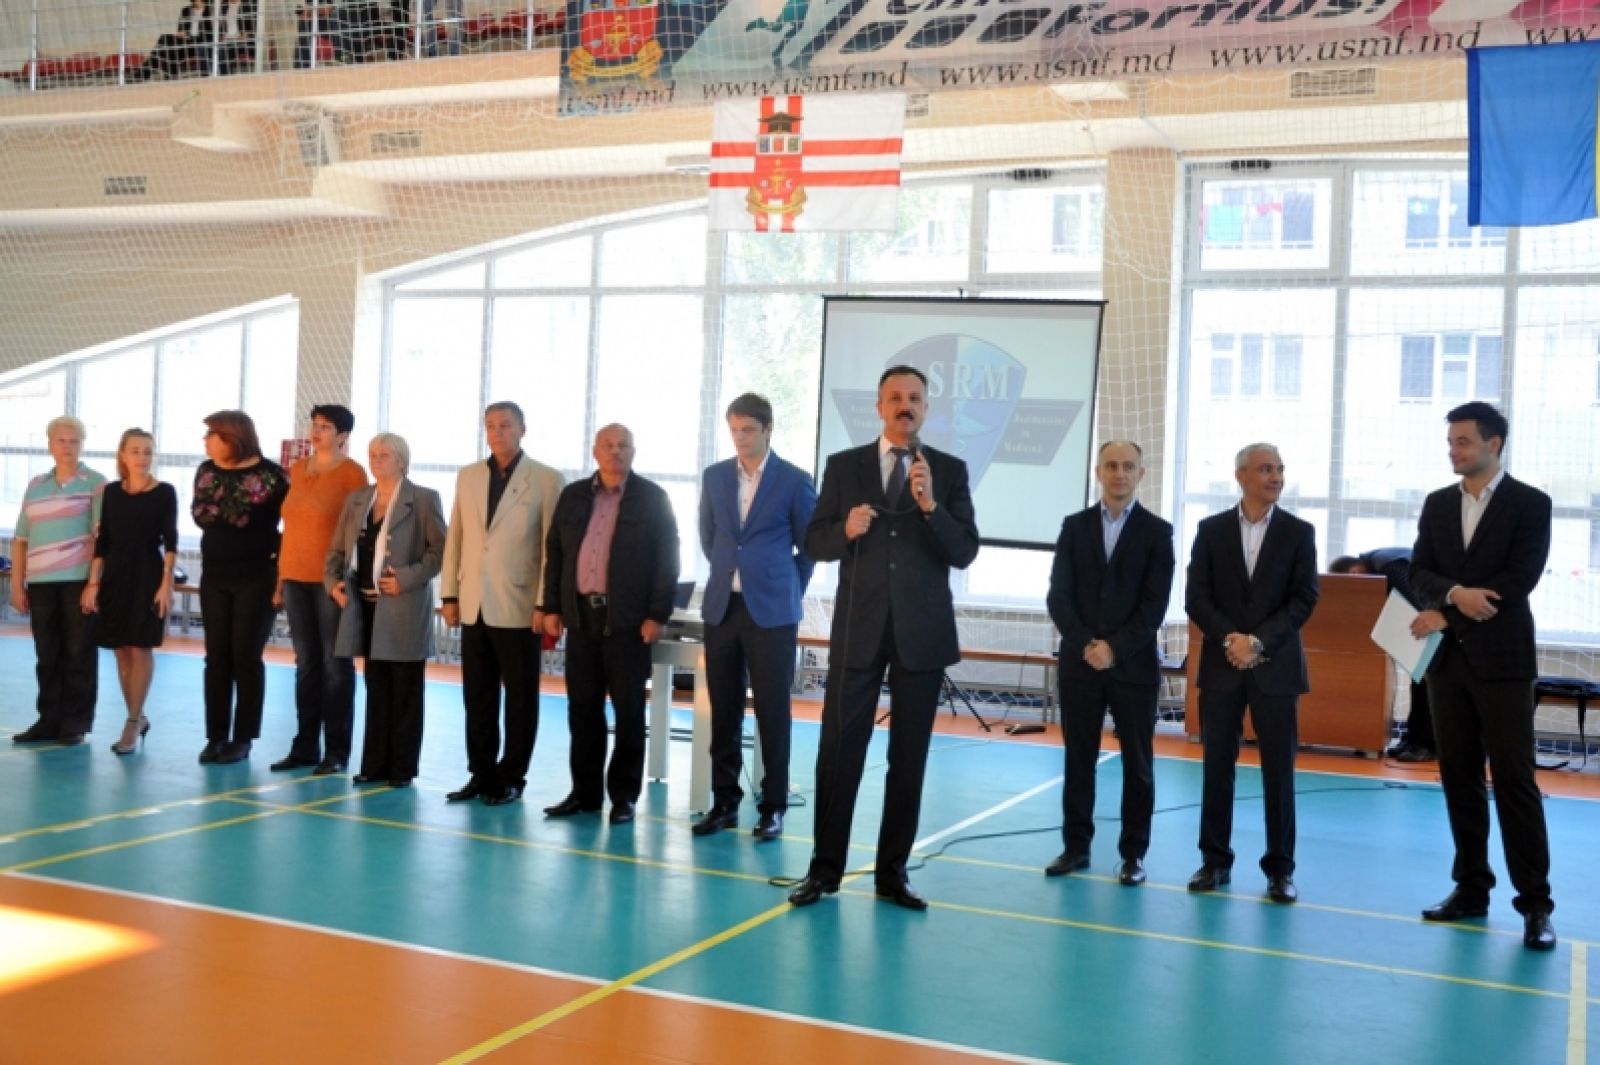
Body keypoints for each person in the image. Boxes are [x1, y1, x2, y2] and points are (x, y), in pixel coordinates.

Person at [788, 365, 980, 910]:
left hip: (922, 635)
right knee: (839, 751)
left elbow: (964, 550)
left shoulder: (949, 470)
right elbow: (814, 542)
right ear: (879, 407)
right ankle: (824, 871)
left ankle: (892, 874)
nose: (904, 405)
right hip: (859, 629)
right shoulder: (843, 466)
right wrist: (843, 530)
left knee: (908, 758)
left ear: (926, 408)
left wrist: (931, 507)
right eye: (895, 397)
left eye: (914, 397)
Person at [1406, 401, 1557, 951]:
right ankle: (1471, 888)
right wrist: (1452, 595)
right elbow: (1417, 570)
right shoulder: (1438, 503)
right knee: (1459, 777)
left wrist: (1450, 612)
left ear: (1494, 444)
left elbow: (1520, 578)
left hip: (1504, 665)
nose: (1454, 450)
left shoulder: (1530, 503)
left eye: (1464, 441)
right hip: (1447, 665)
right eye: (1451, 441)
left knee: (1515, 781)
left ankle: (1535, 905)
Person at [1184, 442, 1318, 904]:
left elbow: (1304, 598)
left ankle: (1280, 870)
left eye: (1279, 469)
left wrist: (1257, 642)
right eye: (1265, 469)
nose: (1275, 477)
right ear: (1241, 476)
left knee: (1278, 772)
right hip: (1222, 667)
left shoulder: (1299, 533)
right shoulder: (1211, 530)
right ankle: (1214, 862)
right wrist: (1231, 639)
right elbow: (1196, 597)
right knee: (1216, 768)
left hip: (1276, 668)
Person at [1044, 440, 1175, 886]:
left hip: (1133, 667)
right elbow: (1058, 596)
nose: (1120, 473)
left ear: (1141, 474)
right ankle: (1075, 848)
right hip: (1080, 664)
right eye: (1111, 465)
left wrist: (1114, 649)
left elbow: (1154, 607)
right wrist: (1088, 644)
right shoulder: (1074, 527)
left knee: (1138, 765)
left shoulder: (1158, 533)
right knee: (1078, 759)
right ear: (1098, 472)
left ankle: (1133, 855)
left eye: (1128, 466)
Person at [541, 424, 681, 825]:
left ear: (633, 451)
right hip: (581, 619)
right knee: (582, 710)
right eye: (608, 445)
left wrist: (657, 614)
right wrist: (552, 607)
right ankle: (585, 794)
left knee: (629, 711)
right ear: (595, 451)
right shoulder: (573, 496)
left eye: (623, 445)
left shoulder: (652, 499)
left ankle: (624, 797)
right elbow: (555, 554)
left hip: (629, 624)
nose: (615, 451)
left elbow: (667, 559)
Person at [692, 393, 816, 841]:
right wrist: (733, 571)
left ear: (768, 430)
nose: (740, 438)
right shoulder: (715, 477)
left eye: (748, 429)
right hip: (723, 608)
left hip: (773, 614)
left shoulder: (795, 481)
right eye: (734, 430)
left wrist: (785, 586)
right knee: (724, 712)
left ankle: (773, 806)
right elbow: (709, 537)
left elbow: (810, 548)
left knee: (772, 712)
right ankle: (724, 802)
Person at [439, 401, 565, 806]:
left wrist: (546, 603)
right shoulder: (469, 476)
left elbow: (551, 549)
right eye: (490, 425)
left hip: (520, 605)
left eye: (506, 425)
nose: (497, 432)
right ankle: (481, 773)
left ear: (522, 429)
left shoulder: (545, 479)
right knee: (477, 696)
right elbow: (456, 537)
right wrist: (449, 594)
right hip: (474, 602)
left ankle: (512, 777)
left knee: (520, 699)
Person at [326, 433, 446, 788]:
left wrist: (406, 578)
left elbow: (440, 552)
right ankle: (374, 764)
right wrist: (332, 583)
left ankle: (402, 768)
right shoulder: (357, 500)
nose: (376, 461)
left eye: (385, 455)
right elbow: (336, 550)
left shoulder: (423, 499)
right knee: (376, 688)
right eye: (372, 454)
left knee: (405, 690)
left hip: (404, 608)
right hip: (363, 607)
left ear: (402, 460)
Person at [272, 405, 368, 775]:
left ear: (342, 435)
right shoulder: (298, 469)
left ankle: (337, 750)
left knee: (334, 663)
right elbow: (290, 529)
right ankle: (305, 746)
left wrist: (344, 577)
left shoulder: (352, 474)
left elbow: (357, 531)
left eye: (325, 427)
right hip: (295, 576)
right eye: (315, 425)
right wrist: (280, 578)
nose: (317, 431)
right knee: (306, 663)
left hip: (330, 580)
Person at [192, 410, 290, 765]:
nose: (206, 441)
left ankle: (243, 737)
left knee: (246, 657)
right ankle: (215, 735)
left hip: (256, 574)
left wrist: (280, 578)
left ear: (232, 438)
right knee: (216, 656)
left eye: (212, 434)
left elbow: (288, 526)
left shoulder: (272, 475)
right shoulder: (206, 470)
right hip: (215, 574)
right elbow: (200, 515)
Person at [10, 416, 106, 747]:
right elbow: (20, 539)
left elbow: (102, 538)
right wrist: (16, 584)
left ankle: (75, 723)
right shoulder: (36, 485)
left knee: (79, 653)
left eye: (74, 440)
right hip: (40, 582)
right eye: (61, 440)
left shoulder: (96, 484)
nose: (67, 446)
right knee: (47, 653)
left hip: (78, 580)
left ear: (82, 445)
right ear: (50, 444)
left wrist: (94, 583)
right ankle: (48, 719)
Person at [83, 429, 178, 755]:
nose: (142, 457)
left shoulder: (164, 492)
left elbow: (171, 540)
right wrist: (93, 583)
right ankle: (137, 716)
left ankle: (132, 719)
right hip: (115, 576)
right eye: (135, 451)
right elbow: (104, 541)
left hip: (147, 575)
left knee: (140, 647)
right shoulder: (111, 492)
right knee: (121, 649)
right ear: (122, 455)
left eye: (147, 451)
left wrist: (166, 583)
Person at [1329, 548, 1435, 762]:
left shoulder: (1388, 565)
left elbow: (1417, 599)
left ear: (1353, 573)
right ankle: (1413, 739)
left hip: (1436, 623)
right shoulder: (1382, 562)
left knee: (1428, 684)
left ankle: (1426, 744)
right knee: (1419, 681)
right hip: (1428, 624)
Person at [138, 1, 209, 80]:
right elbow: (180, 28)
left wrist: (190, 36)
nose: (196, 2)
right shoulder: (186, 10)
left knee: (166, 46)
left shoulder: (209, 11)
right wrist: (182, 34)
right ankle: (170, 75)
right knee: (165, 40)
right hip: (185, 42)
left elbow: (209, 34)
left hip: (200, 44)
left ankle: (144, 73)